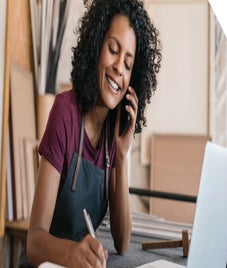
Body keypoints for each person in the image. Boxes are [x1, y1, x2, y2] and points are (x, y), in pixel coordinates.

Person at [25, 0, 161, 267]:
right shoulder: (65, 112)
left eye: (128, 64)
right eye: (113, 50)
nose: (119, 69)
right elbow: (34, 242)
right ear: (96, 47)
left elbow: (122, 241)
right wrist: (71, 253)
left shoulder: (113, 134)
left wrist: (122, 156)